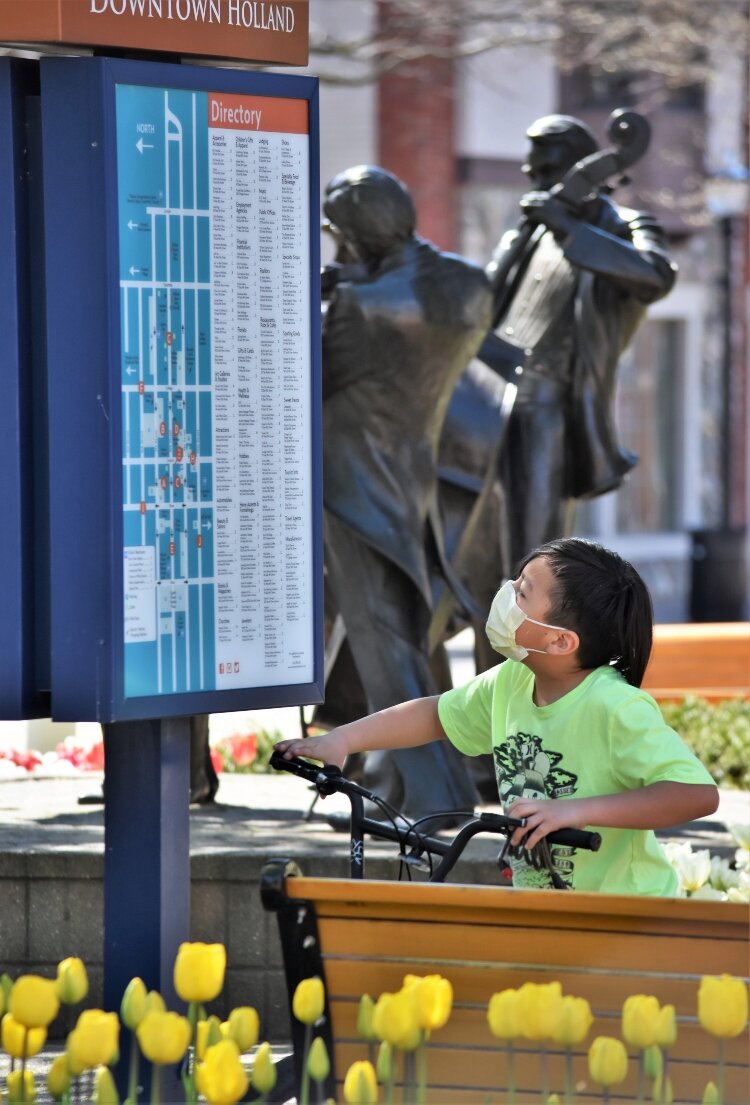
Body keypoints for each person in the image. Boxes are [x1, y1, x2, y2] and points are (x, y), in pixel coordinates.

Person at [275, 538, 718, 895]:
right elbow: (435, 715)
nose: (506, 594)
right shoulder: (511, 680)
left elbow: (696, 794)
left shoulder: (614, 706)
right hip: (545, 913)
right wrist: (343, 741)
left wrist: (578, 810)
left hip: (626, 918)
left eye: (522, 592)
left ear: (562, 642)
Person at [318, 165, 493, 820]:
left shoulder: (363, 308)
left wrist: (329, 296)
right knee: (404, 641)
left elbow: (312, 372)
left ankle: (430, 794)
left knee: (385, 643)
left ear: (358, 235)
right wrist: (355, 280)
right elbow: (415, 290)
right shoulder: (468, 287)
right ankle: (409, 783)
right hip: (416, 476)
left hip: (356, 487)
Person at [485, 114, 677, 583]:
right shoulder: (531, 228)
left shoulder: (626, 224)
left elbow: (656, 273)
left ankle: (529, 648)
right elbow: (483, 296)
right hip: (486, 390)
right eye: (532, 172)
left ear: (582, 168)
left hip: (546, 398)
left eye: (548, 171)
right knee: (477, 546)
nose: (538, 182)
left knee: (530, 551)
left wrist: (570, 231)